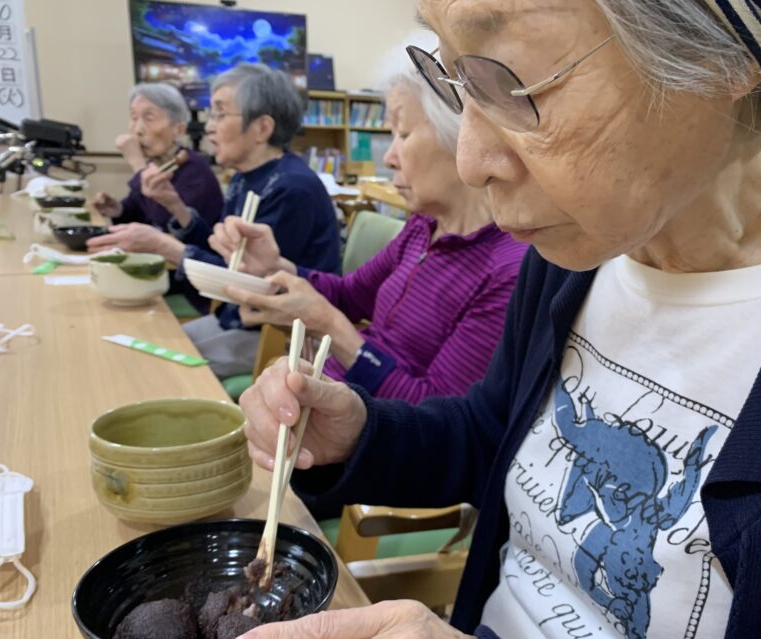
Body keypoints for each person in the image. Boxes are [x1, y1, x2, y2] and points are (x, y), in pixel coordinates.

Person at [235, 0, 761, 639]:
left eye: (513, 80)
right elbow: (498, 433)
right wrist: (365, 434)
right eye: (455, 76)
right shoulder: (576, 255)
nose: (472, 160)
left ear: (725, 59)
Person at [209, 67, 527, 434]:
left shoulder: (507, 268)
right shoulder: (423, 228)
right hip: (327, 404)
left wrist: (331, 327)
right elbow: (349, 295)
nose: (389, 157)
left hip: (376, 442)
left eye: (403, 134)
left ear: (466, 138)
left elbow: (436, 416)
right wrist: (275, 266)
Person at [91, 64, 341, 377]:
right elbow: (227, 257)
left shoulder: (291, 187)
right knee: (139, 348)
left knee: (153, 368)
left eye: (220, 114)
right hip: (236, 319)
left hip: (279, 335)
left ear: (262, 128)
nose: (209, 127)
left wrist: (166, 247)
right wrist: (176, 206)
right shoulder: (247, 177)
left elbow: (251, 284)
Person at [92, 83, 223, 234]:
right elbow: (141, 211)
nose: (137, 129)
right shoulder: (156, 163)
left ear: (178, 129)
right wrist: (118, 210)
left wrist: (137, 164)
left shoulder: (194, 168)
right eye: (134, 118)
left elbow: (165, 222)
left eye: (149, 118)